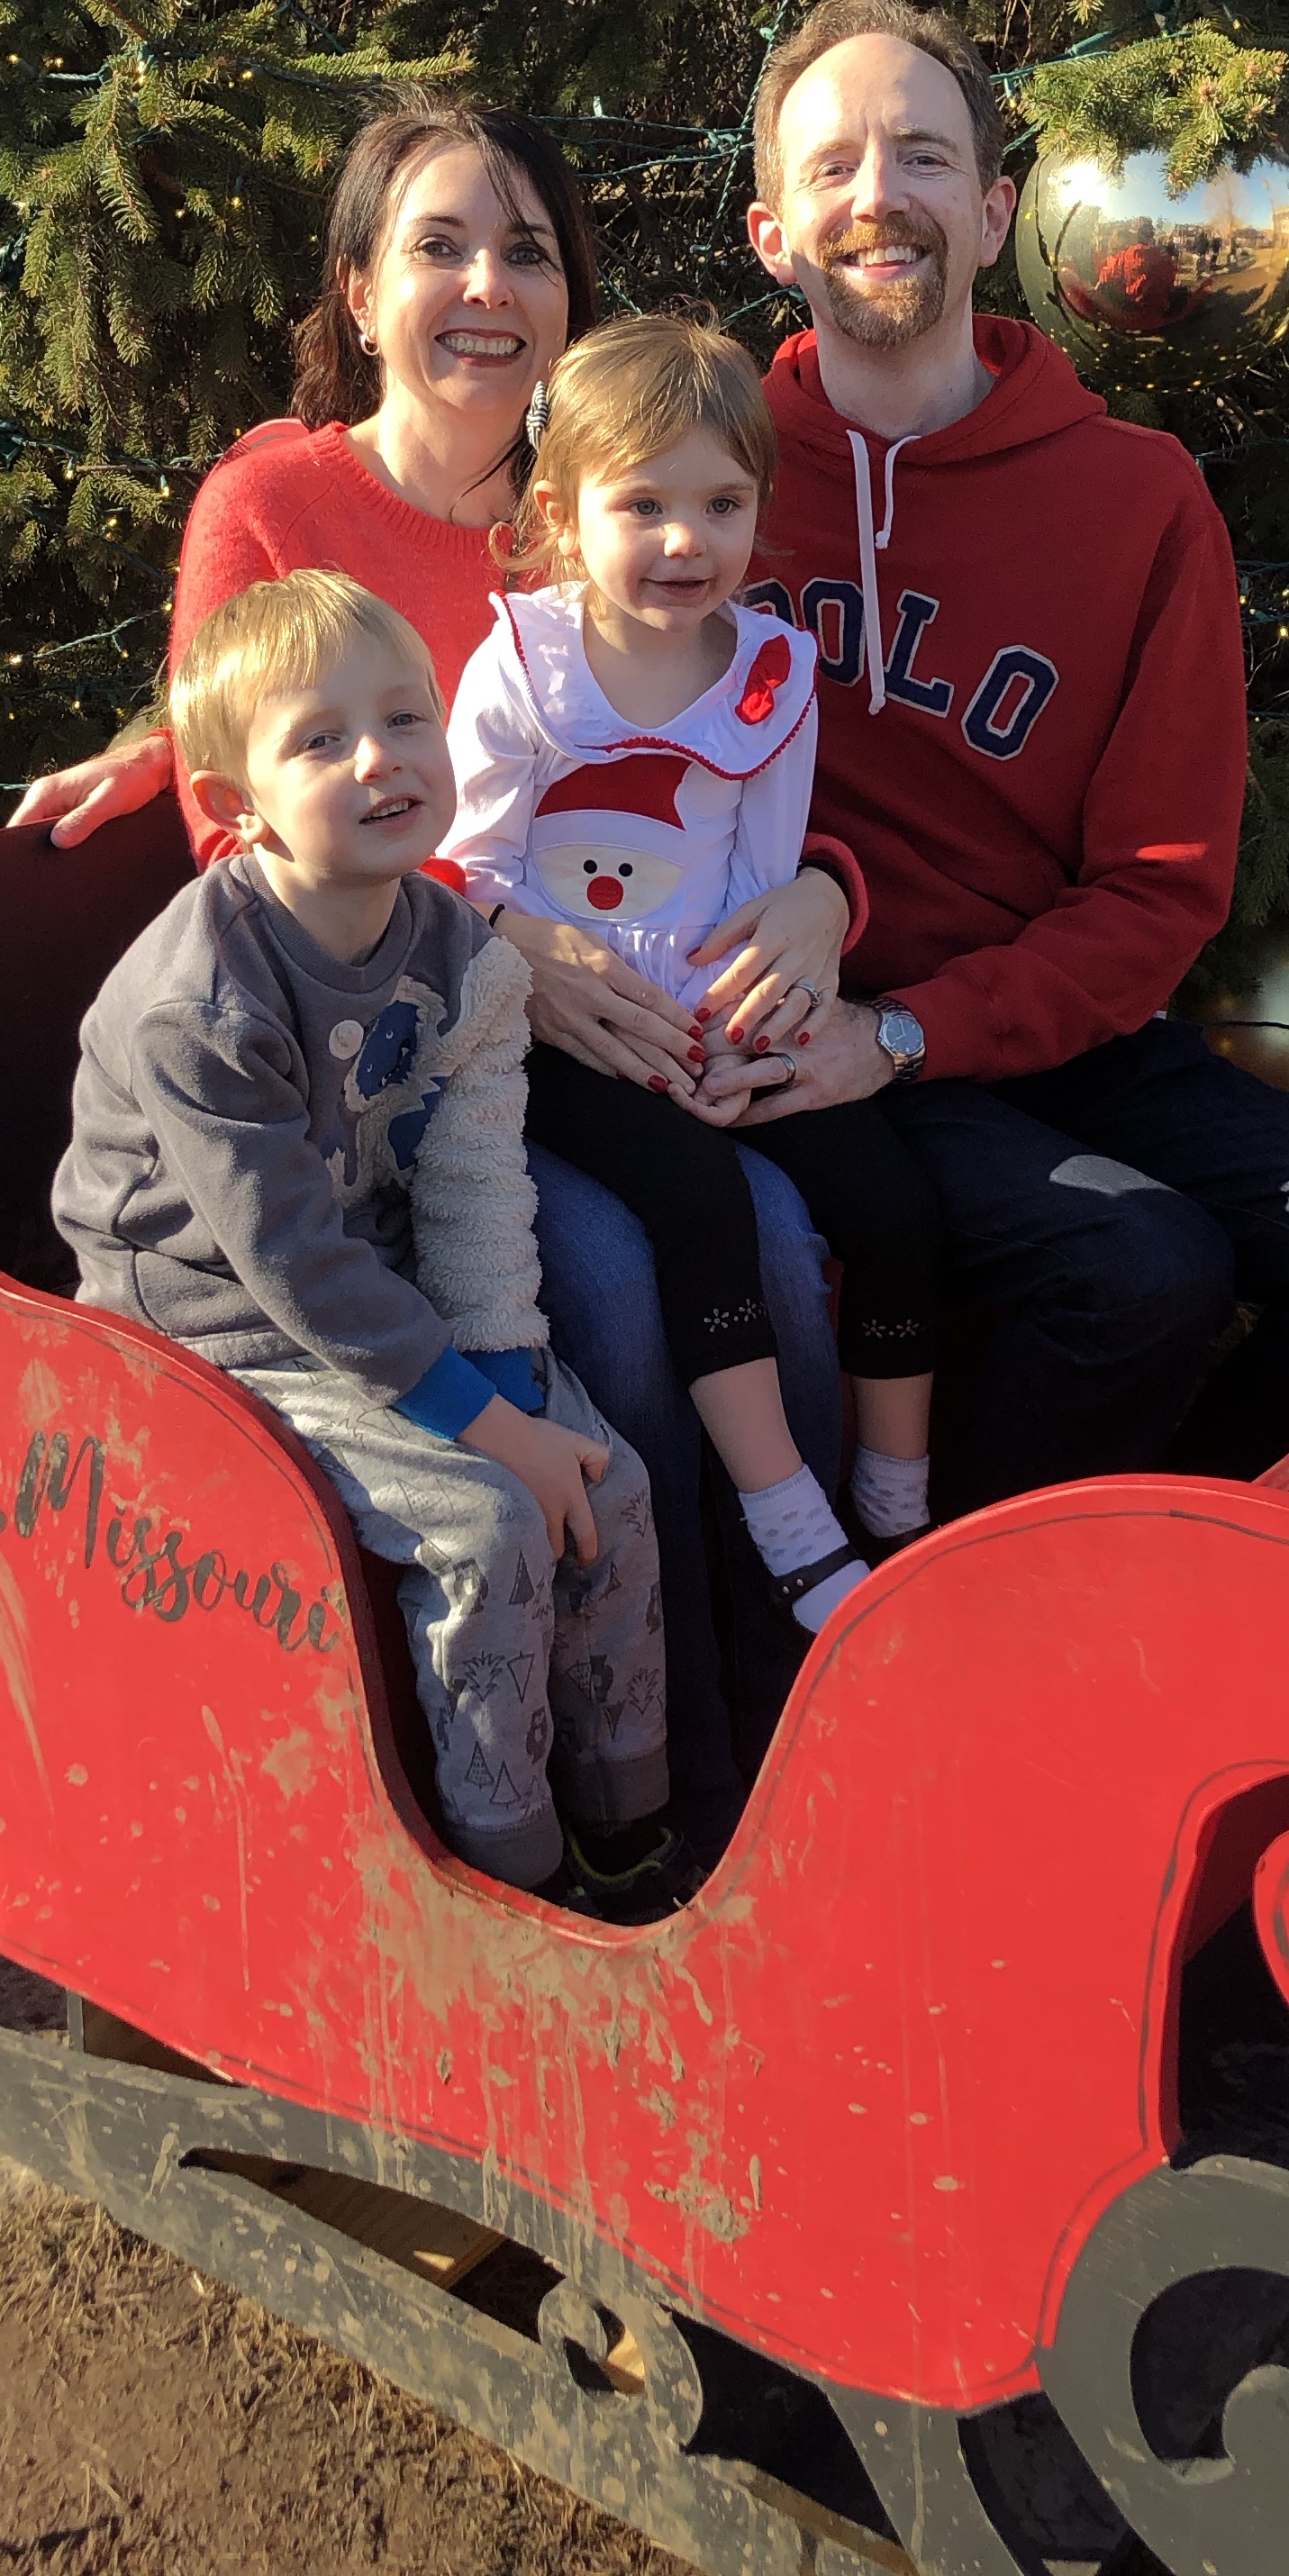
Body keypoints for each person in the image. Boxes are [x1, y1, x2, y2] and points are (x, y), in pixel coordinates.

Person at [11, 97, 847, 1840]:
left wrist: (825, 893)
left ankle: (810, 1701)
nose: (486, 287)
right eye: (438, 248)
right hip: (406, 1056)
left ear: (569, 297)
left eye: (526, 252)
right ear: (360, 289)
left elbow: (730, 755)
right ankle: (674, 1778)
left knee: (779, 1231)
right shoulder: (279, 500)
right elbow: (243, 804)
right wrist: (507, 948)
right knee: (605, 1284)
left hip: (609, 1029)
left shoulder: (614, 495)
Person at [722, 0, 1289, 1499]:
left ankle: (1192, 1550)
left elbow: (1158, 886)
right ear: (774, 233)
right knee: (1142, 1268)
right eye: (833, 165)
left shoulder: (1139, 501)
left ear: (996, 210)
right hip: (814, 1040)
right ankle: (951, 1607)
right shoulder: (707, 480)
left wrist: (914, 1034)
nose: (879, 194)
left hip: (1047, 1038)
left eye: (924, 156)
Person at [52, 567, 674, 1908]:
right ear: (235, 804)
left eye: (404, 718)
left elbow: (471, 1173)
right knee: (487, 1528)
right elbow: (287, 1261)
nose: (380, 759)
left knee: (604, 1483)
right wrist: (481, 1432)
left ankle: (628, 1832)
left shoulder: (457, 949)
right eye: (321, 740)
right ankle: (508, 1876)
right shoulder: (202, 1005)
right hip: (212, 1317)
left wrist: (504, 1376)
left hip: (373, 1274)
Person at [447, 313, 940, 1630]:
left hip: (714, 1011)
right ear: (561, 514)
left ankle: (900, 1501)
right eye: (644, 506)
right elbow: (470, 871)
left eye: (722, 504)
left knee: (892, 1198)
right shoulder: (525, 665)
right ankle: (791, 1522)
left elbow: (767, 880)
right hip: (568, 1030)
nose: (686, 542)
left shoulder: (770, 673)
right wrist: (553, 982)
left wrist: (757, 1020)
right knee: (701, 1204)